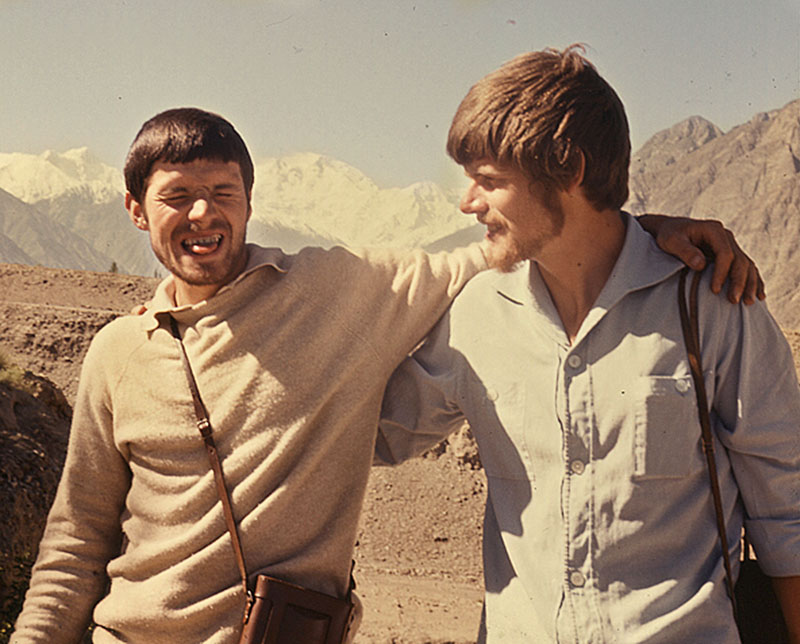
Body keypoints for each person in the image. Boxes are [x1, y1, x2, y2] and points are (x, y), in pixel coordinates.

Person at [11, 107, 763, 644]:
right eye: (177, 196)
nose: (203, 214)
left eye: (223, 193)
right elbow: (76, 538)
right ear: (137, 211)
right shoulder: (115, 351)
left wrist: (647, 233)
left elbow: (512, 244)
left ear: (249, 198)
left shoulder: (340, 289)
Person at [377, 46, 799, 642]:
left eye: (489, 181)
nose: (467, 202)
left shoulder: (710, 304)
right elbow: (374, 436)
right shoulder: (475, 315)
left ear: (569, 169)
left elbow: (789, 507)